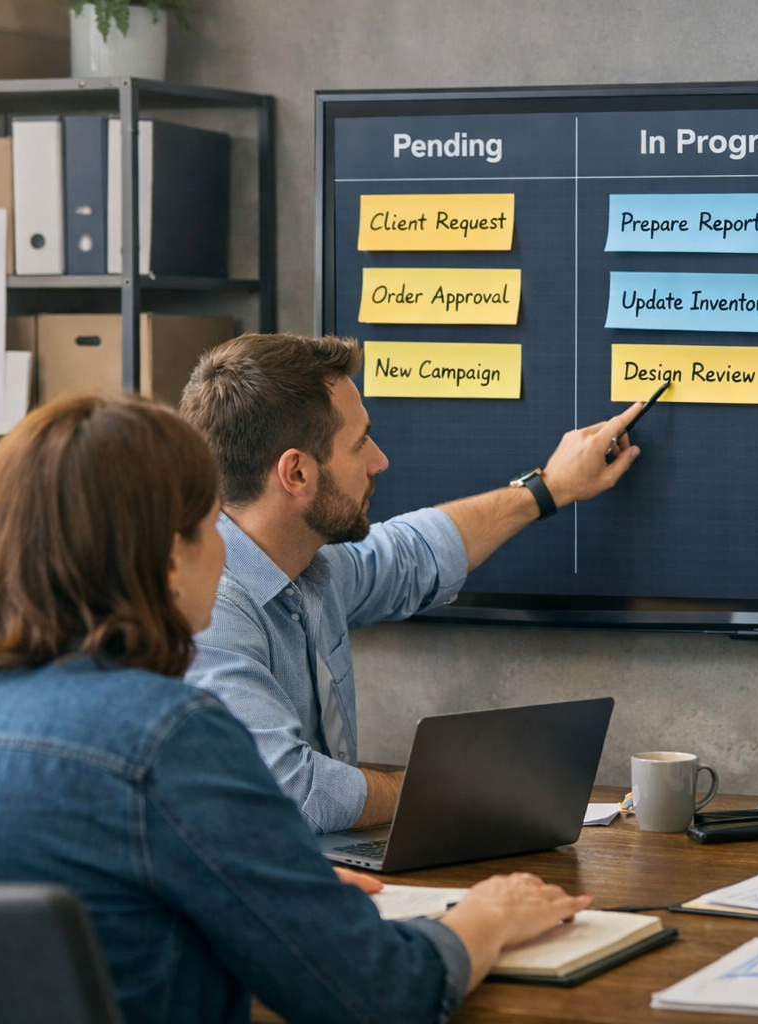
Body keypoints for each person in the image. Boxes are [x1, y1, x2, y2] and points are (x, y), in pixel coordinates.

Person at [0, 395, 591, 1024]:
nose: (225, 550)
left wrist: (274, 880)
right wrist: (484, 919)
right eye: (208, 526)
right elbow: (379, 995)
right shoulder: (170, 737)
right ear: (166, 560)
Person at [178, 333, 644, 833]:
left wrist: (550, 487)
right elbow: (295, 791)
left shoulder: (311, 567)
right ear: (296, 473)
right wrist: (450, 784)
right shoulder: (208, 610)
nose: (380, 460)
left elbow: (411, 554)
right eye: (359, 444)